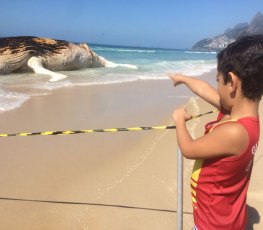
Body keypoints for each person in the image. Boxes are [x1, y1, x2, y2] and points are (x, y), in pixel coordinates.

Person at [168, 35, 263, 230]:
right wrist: (183, 79)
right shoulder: (244, 117)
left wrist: (180, 121)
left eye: (218, 81)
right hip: (226, 218)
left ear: (232, 82)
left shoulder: (235, 131)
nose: (216, 88)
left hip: (211, 224)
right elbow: (204, 89)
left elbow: (188, 148)